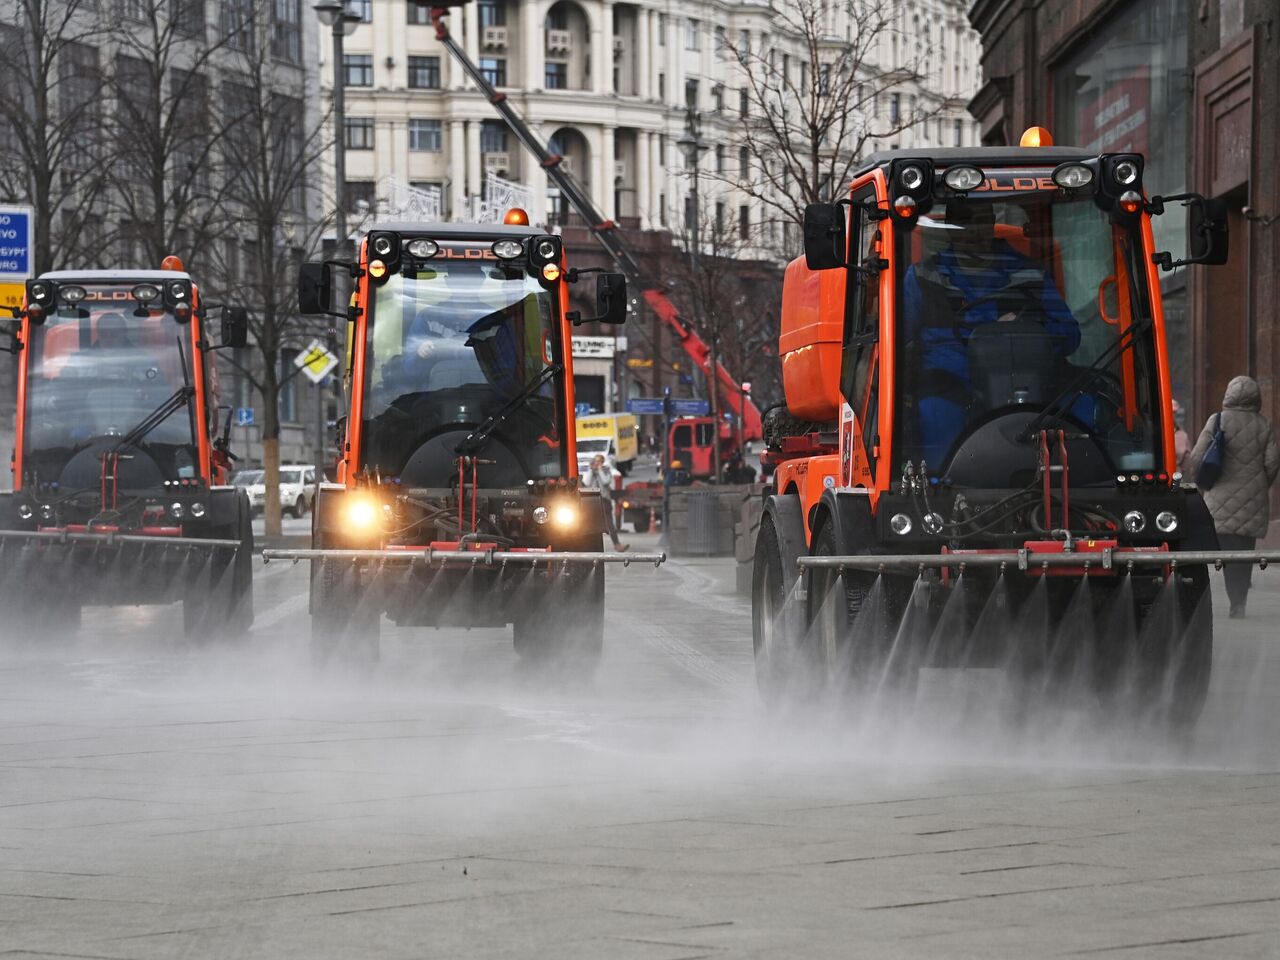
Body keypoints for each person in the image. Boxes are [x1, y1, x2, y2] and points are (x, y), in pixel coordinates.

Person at [901, 202, 1081, 465]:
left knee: (1083, 405)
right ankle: (938, 490)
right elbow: (898, 340)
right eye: (967, 223)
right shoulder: (922, 277)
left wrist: (1026, 332)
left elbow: (1069, 334)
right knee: (935, 414)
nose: (976, 232)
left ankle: (1082, 483)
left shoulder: (1028, 273)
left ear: (992, 222)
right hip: (951, 383)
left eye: (983, 221)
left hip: (1025, 379)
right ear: (951, 229)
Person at [1185, 375, 1280, 618]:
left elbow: (1197, 456)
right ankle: (1239, 600)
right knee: (1245, 553)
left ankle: (1228, 597)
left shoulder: (1217, 420)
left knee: (1226, 551)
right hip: (1253, 498)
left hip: (1219, 495)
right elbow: (1272, 463)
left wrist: (1202, 482)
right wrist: (1260, 485)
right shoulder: (1264, 424)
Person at [581, 453, 628, 552]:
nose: (596, 463)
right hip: (592, 501)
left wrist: (600, 470)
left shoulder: (606, 471)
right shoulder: (591, 472)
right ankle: (587, 546)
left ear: (602, 462)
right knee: (589, 523)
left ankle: (617, 544)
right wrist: (591, 469)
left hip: (604, 500)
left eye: (599, 461)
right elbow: (587, 482)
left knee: (610, 524)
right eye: (595, 461)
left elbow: (606, 481)